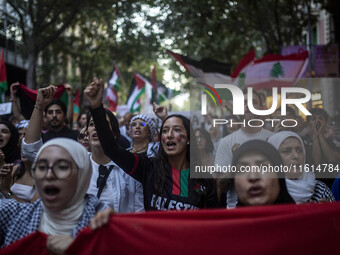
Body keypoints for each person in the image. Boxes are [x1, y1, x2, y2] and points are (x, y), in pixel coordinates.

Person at [84, 78, 218, 210]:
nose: (169, 135)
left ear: (189, 139)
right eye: (165, 131)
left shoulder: (204, 181)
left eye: (177, 130)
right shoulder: (149, 169)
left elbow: (213, 224)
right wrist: (96, 108)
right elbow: (111, 149)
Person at [0, 138, 106, 252]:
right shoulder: (13, 214)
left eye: (62, 167)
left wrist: (79, 249)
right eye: (42, 167)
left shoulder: (104, 223)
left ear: (83, 174)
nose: (49, 175)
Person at [215, 88, 274, 208]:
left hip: (269, 209)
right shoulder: (226, 142)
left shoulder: (274, 139)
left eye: (254, 102)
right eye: (244, 103)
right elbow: (220, 186)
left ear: (261, 108)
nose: (249, 106)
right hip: (236, 212)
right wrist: (236, 162)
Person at [268, 131, 335, 203]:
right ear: (273, 157)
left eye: (299, 150)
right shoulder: (266, 191)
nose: (296, 156)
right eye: (286, 151)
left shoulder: (320, 189)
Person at [232, 140, 294, 206]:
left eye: (264, 167)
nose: (253, 177)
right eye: (242, 169)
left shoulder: (303, 216)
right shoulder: (225, 216)